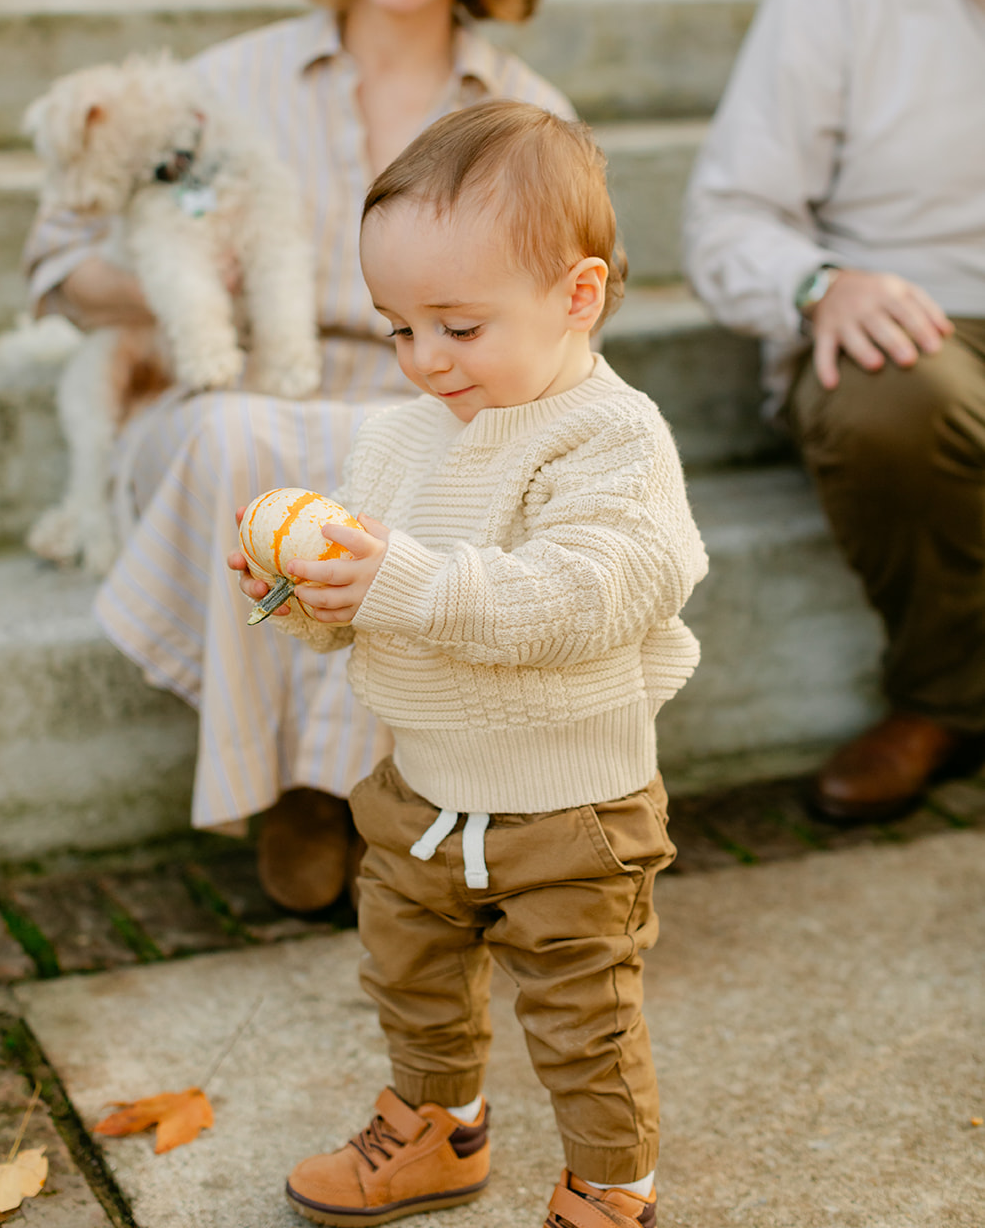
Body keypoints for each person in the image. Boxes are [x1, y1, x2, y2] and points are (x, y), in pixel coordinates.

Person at [22, 0, 574, 911]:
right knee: (242, 441)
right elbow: (58, 266)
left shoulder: (525, 119)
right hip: (233, 389)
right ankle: (299, 790)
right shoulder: (220, 85)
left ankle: (371, 782)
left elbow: (564, 320)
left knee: (426, 450)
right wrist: (177, 283)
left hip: (427, 391)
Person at [231, 101, 708, 1228]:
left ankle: (611, 1186)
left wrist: (398, 578)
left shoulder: (611, 438)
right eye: (398, 327)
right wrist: (310, 600)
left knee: (581, 1017)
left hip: (571, 811)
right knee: (410, 978)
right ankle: (439, 1127)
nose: (424, 358)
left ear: (576, 296)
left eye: (455, 324)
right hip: (421, 792)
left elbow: (585, 594)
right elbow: (385, 612)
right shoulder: (399, 433)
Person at [683, 0, 985, 824]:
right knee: (893, 393)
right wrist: (820, 284)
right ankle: (943, 699)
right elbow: (723, 223)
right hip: (906, 329)